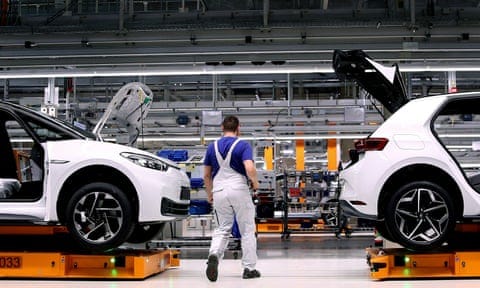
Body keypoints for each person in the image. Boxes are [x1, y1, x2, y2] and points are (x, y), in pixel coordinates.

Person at [203, 115, 260, 282]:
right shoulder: (242, 145)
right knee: (247, 229)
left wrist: (209, 194)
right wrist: (255, 184)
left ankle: (214, 255)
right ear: (238, 128)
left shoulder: (211, 147)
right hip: (239, 189)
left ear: (222, 128)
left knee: (222, 228)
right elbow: (249, 168)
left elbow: (206, 175)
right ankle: (249, 268)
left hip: (219, 190)